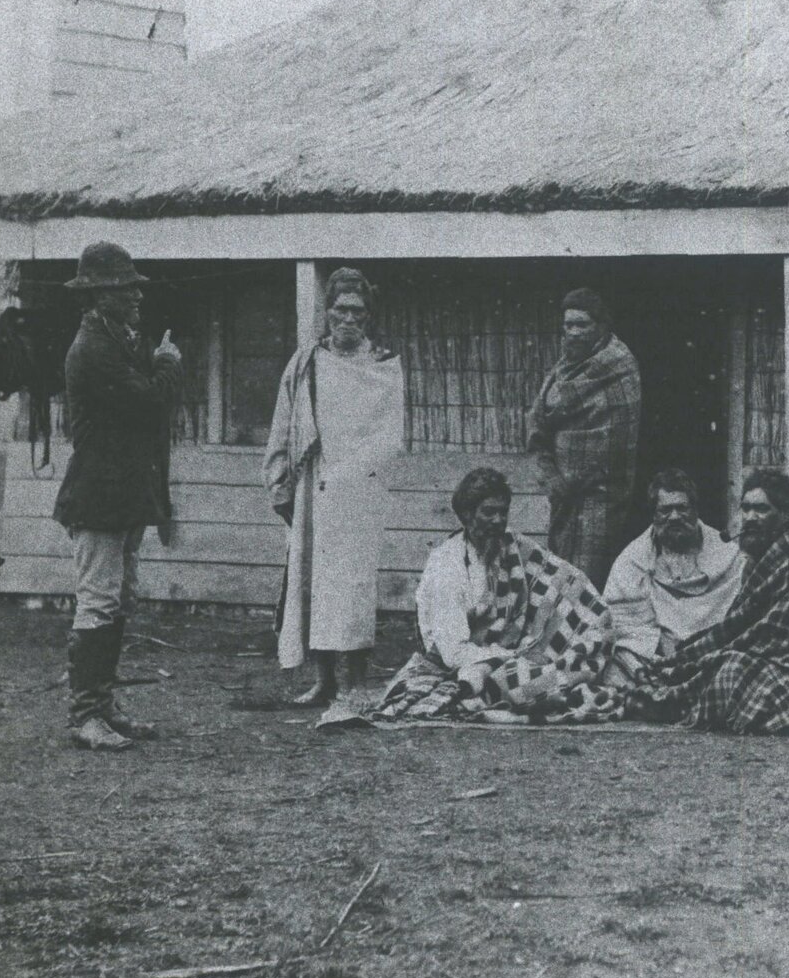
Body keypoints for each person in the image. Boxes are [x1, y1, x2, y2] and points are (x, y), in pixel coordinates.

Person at [317, 467, 617, 727]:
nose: (498, 521)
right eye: (488, 512)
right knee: (528, 681)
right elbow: (453, 653)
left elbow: (566, 582)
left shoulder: (512, 547)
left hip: (510, 651)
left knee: (573, 662)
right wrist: (508, 656)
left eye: (503, 512)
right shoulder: (447, 566)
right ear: (466, 515)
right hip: (463, 661)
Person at [52, 241, 183, 751]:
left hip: (121, 493)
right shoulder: (92, 350)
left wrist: (153, 362)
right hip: (99, 495)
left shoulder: (116, 341)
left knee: (116, 600)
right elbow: (151, 401)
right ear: (100, 295)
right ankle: (86, 715)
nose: (136, 296)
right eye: (125, 288)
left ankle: (103, 706)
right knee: (99, 601)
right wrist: (168, 363)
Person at [264, 267, 406, 707]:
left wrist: (350, 472)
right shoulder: (306, 363)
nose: (349, 320)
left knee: (353, 586)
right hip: (313, 488)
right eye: (341, 311)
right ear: (327, 313)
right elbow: (284, 422)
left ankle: (353, 681)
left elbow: (389, 436)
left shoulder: (382, 366)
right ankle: (324, 679)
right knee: (315, 583)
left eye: (358, 312)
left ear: (368, 316)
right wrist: (280, 479)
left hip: (358, 493)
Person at [641, 469, 789, 735]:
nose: (750, 518)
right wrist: (686, 657)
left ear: (784, 514)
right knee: (723, 669)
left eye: (761, 509)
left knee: (733, 671)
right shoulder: (757, 561)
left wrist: (701, 661)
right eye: (746, 508)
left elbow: (777, 641)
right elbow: (736, 625)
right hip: (772, 664)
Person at [525, 287, 642, 588]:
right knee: (559, 569)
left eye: (582, 325)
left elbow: (620, 433)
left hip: (603, 494)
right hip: (564, 493)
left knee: (591, 576)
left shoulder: (618, 365)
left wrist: (585, 476)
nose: (574, 332)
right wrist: (553, 478)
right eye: (569, 325)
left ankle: (590, 632)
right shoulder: (562, 369)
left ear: (601, 327)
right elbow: (538, 422)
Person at [602, 467, 747, 685]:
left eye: (682, 508)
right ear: (654, 515)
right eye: (665, 510)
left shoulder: (727, 554)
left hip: (715, 656)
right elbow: (624, 629)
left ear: (696, 511)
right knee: (614, 665)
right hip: (657, 661)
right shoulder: (633, 561)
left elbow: (742, 616)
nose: (674, 517)